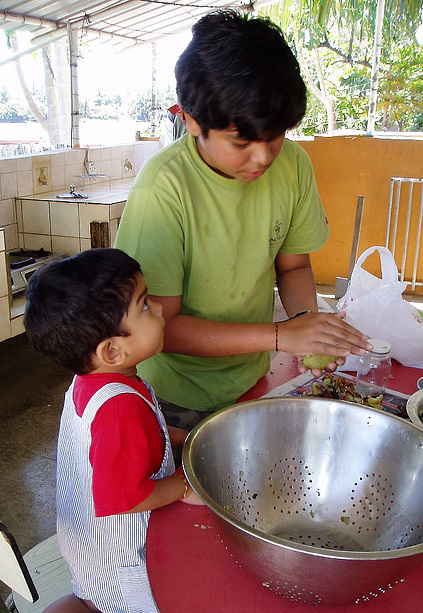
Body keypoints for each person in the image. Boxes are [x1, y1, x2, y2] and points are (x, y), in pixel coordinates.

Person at [115, 10, 370, 430]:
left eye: (275, 137)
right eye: (241, 142)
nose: (263, 157)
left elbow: (294, 266)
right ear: (192, 120)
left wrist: (310, 329)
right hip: (176, 393)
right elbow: (161, 327)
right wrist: (281, 335)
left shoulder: (293, 165)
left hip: (253, 375)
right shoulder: (162, 189)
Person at [22, 248, 202, 613]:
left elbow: (128, 441)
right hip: (119, 554)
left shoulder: (93, 382)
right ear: (112, 350)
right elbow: (128, 496)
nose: (158, 307)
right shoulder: (121, 409)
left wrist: (184, 437)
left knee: (87, 600)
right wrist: (185, 487)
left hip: (83, 540)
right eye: (144, 305)